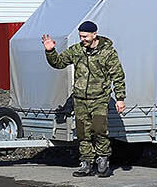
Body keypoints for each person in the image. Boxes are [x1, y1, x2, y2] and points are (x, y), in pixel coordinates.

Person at [42, 20, 127, 178]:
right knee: (83, 132)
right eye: (81, 36)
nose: (83, 39)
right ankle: (86, 163)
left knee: (99, 129)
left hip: (100, 98)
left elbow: (118, 75)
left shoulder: (108, 52)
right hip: (80, 99)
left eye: (85, 36)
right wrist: (50, 51)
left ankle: (102, 160)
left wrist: (120, 98)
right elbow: (59, 63)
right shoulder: (77, 50)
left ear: (95, 35)